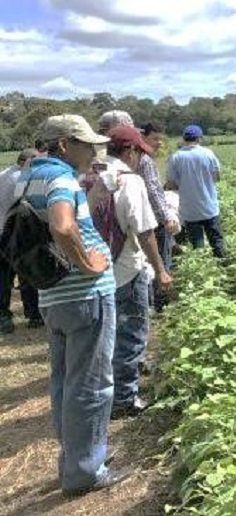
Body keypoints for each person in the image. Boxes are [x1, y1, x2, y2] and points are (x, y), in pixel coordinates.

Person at [17, 114, 127, 495]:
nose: (94, 150)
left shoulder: (27, 176)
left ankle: (78, 456)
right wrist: (87, 262)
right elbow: (63, 226)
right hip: (84, 294)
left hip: (52, 295)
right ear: (64, 144)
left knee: (66, 380)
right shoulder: (61, 178)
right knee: (92, 384)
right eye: (86, 143)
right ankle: (84, 472)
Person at [83, 125, 173, 418]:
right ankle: (124, 399)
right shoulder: (129, 181)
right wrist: (160, 270)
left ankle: (103, 393)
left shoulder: (87, 176)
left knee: (103, 336)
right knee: (131, 335)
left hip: (90, 270)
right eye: (139, 152)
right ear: (130, 150)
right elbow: (145, 232)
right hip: (125, 270)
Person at [0, 148, 43, 332]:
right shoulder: (21, 178)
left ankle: (3, 316)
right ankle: (33, 314)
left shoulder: (3, 174)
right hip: (15, 233)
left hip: (1, 230)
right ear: (27, 161)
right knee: (26, 273)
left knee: (3, 277)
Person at [166, 124, 225, 258]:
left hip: (189, 209)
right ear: (199, 138)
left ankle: (202, 271)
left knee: (197, 245)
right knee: (216, 241)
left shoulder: (175, 157)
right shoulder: (208, 153)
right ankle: (223, 268)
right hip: (209, 206)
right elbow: (217, 177)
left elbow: (171, 184)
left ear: (184, 139)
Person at [137, 122, 176, 312]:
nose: (159, 143)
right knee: (160, 260)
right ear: (143, 136)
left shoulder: (137, 158)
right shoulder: (145, 160)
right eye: (155, 138)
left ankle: (152, 302)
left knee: (148, 261)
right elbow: (153, 191)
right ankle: (160, 305)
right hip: (154, 220)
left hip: (142, 219)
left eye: (161, 139)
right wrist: (166, 218)